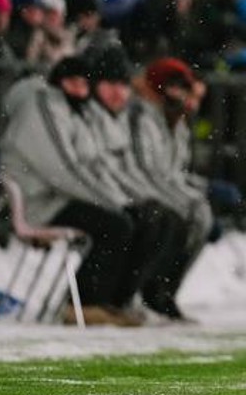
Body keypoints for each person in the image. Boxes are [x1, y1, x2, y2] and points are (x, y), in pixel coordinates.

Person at [0, 55, 144, 326]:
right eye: (72, 82)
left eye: (84, 83)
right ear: (58, 82)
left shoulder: (74, 110)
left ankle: (110, 301)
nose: (79, 90)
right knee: (115, 225)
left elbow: (94, 166)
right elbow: (63, 170)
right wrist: (113, 202)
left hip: (62, 196)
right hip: (39, 203)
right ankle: (85, 303)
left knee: (137, 218)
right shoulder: (43, 107)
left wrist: (122, 199)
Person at [80, 44, 190, 321]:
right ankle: (94, 299)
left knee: (167, 219)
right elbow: (95, 168)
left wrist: (141, 195)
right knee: (139, 220)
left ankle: (122, 298)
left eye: (123, 84)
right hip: (88, 194)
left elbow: (128, 170)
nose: (117, 92)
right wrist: (132, 197)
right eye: (109, 83)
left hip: (114, 192)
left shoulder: (117, 119)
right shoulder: (90, 117)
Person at [126, 57, 215, 321]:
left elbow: (174, 172)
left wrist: (197, 192)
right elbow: (148, 170)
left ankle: (164, 292)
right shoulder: (143, 117)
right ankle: (148, 292)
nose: (188, 101)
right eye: (177, 89)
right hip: (134, 190)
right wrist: (185, 200)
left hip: (156, 190)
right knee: (175, 219)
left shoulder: (175, 123)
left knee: (198, 216)